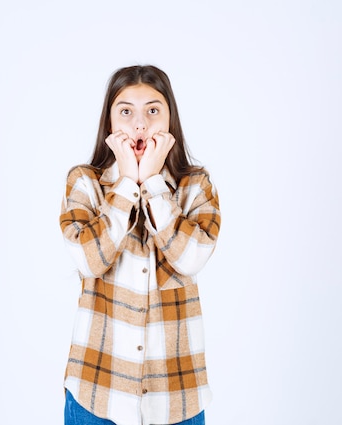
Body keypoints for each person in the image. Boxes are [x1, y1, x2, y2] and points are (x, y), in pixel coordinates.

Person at [59, 65, 221, 425]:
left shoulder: (195, 187)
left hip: (177, 398)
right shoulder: (85, 183)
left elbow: (191, 257)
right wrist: (128, 185)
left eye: (153, 110)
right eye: (126, 111)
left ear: (169, 119)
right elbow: (89, 259)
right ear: (110, 122)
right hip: (96, 394)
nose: (139, 125)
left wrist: (152, 181)